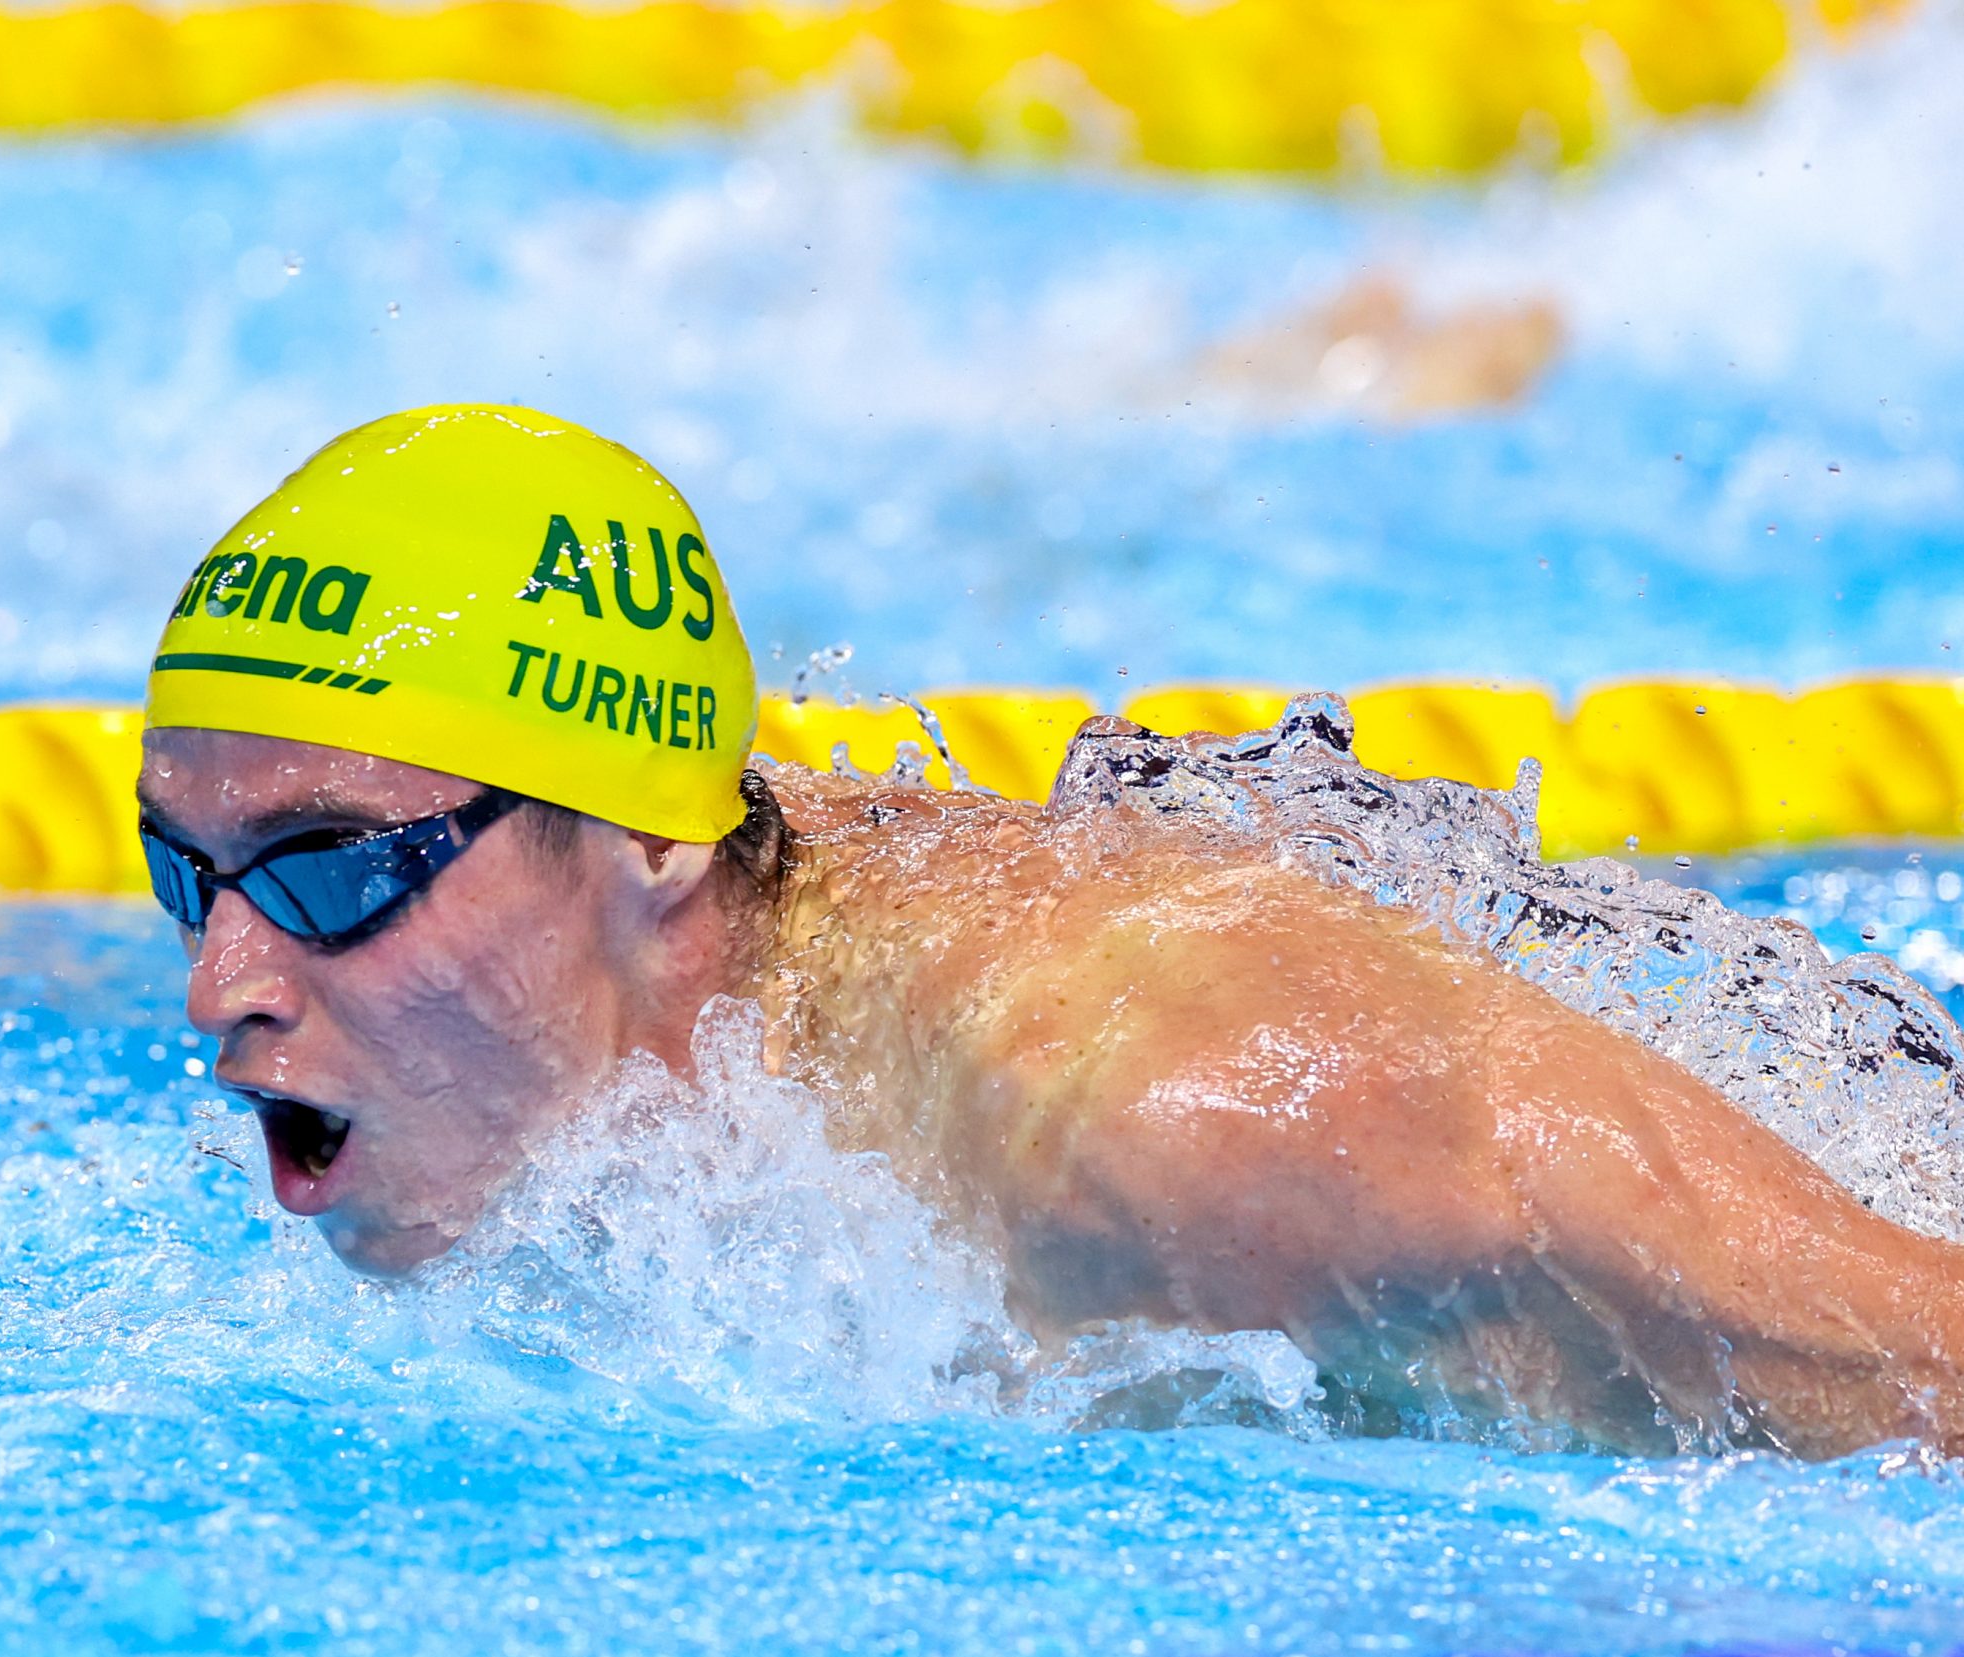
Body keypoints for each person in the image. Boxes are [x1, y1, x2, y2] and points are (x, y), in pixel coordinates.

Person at [135, 403, 1964, 1459]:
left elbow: (1905, 1352)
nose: (223, 988)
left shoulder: (1174, 1117)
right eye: (187, 870)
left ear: (647, 842)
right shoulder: (680, 1013)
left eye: (329, 869)